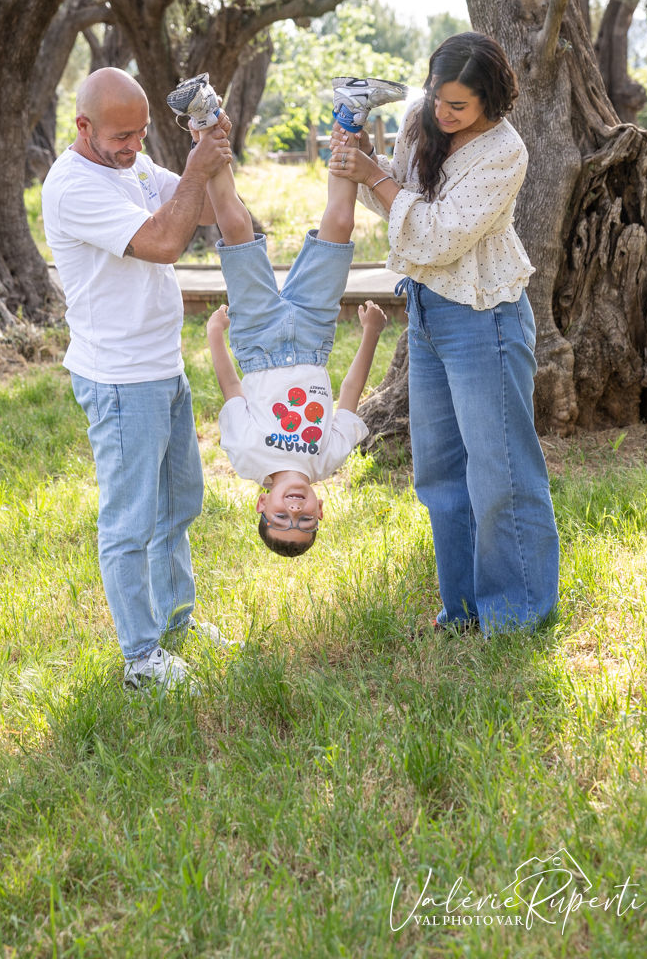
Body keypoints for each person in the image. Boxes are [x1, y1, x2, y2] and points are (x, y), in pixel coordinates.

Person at [329, 32, 559, 634]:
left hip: (485, 316)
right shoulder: (420, 120)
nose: (444, 113)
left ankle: (515, 616)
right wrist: (362, 161)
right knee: (438, 470)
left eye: (459, 105)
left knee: (501, 471)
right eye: (438, 98)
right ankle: (461, 610)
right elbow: (401, 211)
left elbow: (437, 233)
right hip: (427, 310)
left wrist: (375, 176)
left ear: (492, 100)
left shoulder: (504, 152)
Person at [41, 66, 238, 691]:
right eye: (122, 136)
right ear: (83, 127)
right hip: (120, 380)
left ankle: (176, 620)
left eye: (143, 133)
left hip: (163, 365)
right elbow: (164, 240)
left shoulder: (136, 168)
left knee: (178, 504)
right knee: (129, 522)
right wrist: (202, 167)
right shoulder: (73, 186)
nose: (133, 147)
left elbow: (205, 207)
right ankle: (142, 659)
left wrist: (215, 150)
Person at [204, 161, 388, 556]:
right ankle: (350, 120)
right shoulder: (329, 459)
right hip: (313, 334)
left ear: (261, 505)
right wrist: (371, 334)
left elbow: (231, 388)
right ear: (320, 509)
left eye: (281, 518)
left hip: (256, 340)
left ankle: (205, 130)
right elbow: (351, 394)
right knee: (340, 223)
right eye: (304, 520)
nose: (293, 511)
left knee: (236, 229)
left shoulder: (247, 457)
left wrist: (214, 336)